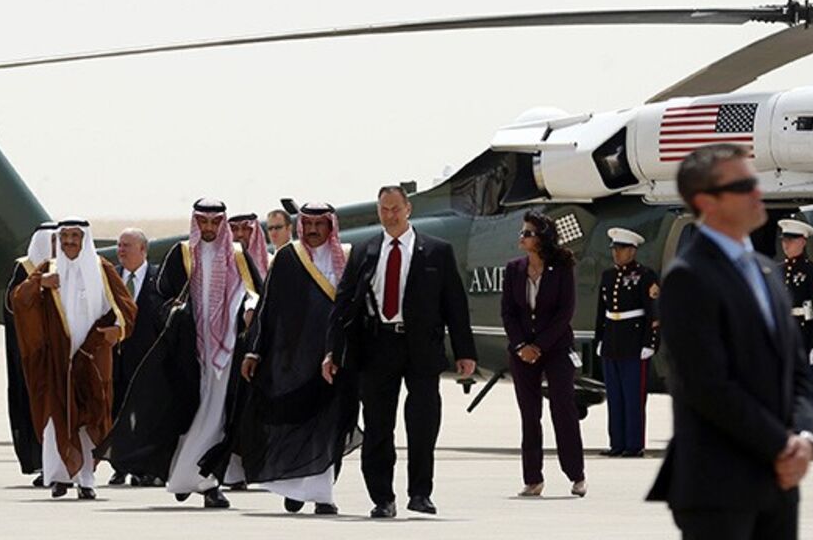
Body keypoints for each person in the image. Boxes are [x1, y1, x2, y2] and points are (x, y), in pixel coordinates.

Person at [647, 143, 813, 540]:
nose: (758, 192)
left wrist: (805, 437)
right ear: (706, 201)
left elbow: (796, 371)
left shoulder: (767, 271)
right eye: (743, 186)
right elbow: (708, 386)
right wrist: (782, 445)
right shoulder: (688, 277)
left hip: (778, 484)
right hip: (719, 487)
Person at [323, 185, 477, 519]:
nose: (390, 215)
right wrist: (333, 350)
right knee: (378, 425)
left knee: (423, 423)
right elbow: (343, 303)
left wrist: (465, 352)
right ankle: (382, 497)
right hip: (377, 345)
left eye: (395, 209)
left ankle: (420, 493)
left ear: (408, 209)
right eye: (384, 209)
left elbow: (455, 304)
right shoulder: (364, 251)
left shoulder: (436, 251)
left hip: (422, 346)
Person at [98, 198, 263, 509]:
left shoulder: (237, 255)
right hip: (190, 351)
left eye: (215, 222)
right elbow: (160, 296)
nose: (209, 228)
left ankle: (207, 481)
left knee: (220, 417)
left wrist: (249, 309)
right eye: (204, 222)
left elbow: (255, 293)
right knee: (187, 413)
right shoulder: (182, 254)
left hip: (226, 352)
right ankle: (185, 474)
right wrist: (176, 312)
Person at [239, 203, 359, 515]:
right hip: (293, 358)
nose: (314, 230)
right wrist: (254, 351)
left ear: (331, 226)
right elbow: (267, 307)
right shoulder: (287, 257)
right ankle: (295, 485)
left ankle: (322, 495)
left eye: (321, 224)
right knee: (295, 424)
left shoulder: (348, 256)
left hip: (334, 358)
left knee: (332, 426)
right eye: (309, 224)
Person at [11, 218, 138, 499]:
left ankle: (87, 480)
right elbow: (18, 300)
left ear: (85, 239)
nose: (69, 241)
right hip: (58, 360)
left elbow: (126, 307)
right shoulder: (48, 269)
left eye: (74, 236)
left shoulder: (102, 269)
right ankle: (59, 478)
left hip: (93, 357)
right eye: (64, 236)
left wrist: (117, 330)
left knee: (91, 416)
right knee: (57, 416)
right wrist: (39, 283)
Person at [501, 211, 587, 497]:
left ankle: (576, 474)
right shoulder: (514, 269)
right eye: (522, 232)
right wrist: (521, 346)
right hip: (522, 352)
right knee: (529, 414)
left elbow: (565, 312)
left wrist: (539, 346)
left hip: (556, 348)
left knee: (563, 409)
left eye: (528, 233)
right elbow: (508, 312)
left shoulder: (561, 269)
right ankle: (533, 478)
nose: (522, 237)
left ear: (541, 238)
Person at [594, 227, 660, 458]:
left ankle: (633, 444)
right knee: (615, 396)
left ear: (632, 251)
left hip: (634, 343)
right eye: (614, 249)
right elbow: (602, 312)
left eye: (621, 249)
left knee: (633, 398)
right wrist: (600, 339)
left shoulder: (645, 276)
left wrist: (650, 343)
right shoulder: (608, 276)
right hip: (612, 341)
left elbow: (653, 312)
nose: (616, 253)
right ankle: (617, 443)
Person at [107, 227, 164, 487]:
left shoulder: (158, 279)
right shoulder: (111, 277)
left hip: (147, 360)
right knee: (116, 414)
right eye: (119, 245)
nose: (120, 250)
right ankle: (120, 466)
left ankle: (146, 468)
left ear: (142, 249)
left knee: (147, 416)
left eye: (126, 246)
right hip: (116, 360)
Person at [3, 220, 56, 487]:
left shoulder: (64, 270)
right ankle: (42, 464)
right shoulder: (24, 270)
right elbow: (13, 306)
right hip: (30, 356)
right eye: (53, 241)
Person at [778, 219, 813, 367]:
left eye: (791, 241)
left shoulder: (812, 272)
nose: (786, 245)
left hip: (803, 336)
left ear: (802, 242)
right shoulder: (777, 271)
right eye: (784, 240)